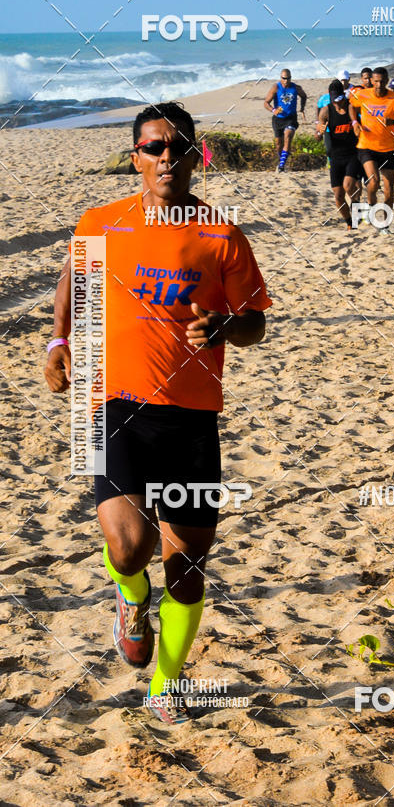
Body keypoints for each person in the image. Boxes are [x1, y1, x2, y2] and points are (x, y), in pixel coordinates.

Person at [44, 102, 272, 724]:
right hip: (110, 402)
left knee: (188, 572)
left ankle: (165, 688)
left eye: (177, 147)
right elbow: (72, 279)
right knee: (126, 550)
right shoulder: (102, 222)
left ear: (197, 154)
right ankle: (129, 597)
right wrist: (59, 342)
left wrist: (226, 325)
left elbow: (254, 322)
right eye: (152, 148)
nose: (165, 157)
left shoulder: (222, 235)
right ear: (135, 157)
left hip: (193, 415)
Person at [348, 66, 394, 214]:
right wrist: (355, 123)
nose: (379, 85)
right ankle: (371, 206)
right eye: (376, 81)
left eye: (382, 82)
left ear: (387, 81)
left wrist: (393, 122)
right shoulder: (363, 95)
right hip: (366, 146)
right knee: (374, 181)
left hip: (387, 148)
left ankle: (386, 223)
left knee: (389, 190)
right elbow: (351, 106)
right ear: (372, 81)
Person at [316, 79, 362, 229]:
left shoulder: (350, 107)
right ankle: (350, 222)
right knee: (338, 196)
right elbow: (316, 136)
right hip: (335, 157)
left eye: (339, 99)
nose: (337, 103)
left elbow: (357, 121)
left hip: (352, 154)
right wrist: (319, 133)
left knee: (348, 186)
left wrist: (356, 127)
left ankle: (356, 207)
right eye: (333, 100)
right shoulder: (325, 111)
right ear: (330, 98)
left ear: (343, 96)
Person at [263, 69, 307, 172]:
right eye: (284, 78)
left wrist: (302, 108)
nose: (286, 81)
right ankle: (281, 160)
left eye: (288, 78)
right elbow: (266, 103)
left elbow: (304, 96)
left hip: (291, 118)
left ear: (291, 78)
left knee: (288, 136)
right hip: (278, 119)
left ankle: (282, 166)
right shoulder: (276, 87)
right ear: (280, 78)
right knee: (279, 144)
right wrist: (273, 110)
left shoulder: (296, 88)